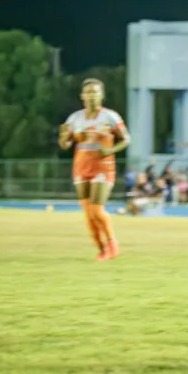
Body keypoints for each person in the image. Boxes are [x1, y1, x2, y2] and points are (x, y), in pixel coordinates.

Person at [58, 78, 130, 260]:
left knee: (97, 210)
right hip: (81, 167)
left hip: (103, 167)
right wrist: (63, 138)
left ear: (102, 95)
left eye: (95, 92)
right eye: (88, 92)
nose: (92, 96)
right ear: (82, 96)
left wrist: (109, 150)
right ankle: (102, 249)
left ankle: (113, 244)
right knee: (88, 214)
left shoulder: (110, 117)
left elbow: (126, 139)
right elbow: (65, 144)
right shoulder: (75, 118)